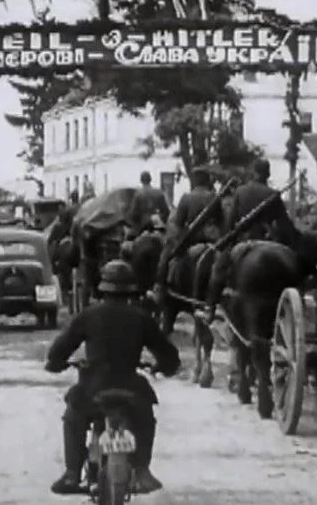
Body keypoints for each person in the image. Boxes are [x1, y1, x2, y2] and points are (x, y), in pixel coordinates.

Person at [45, 260, 181, 495]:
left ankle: (72, 473)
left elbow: (59, 350)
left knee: (73, 418)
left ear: (103, 289)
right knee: (146, 420)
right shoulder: (141, 318)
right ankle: (142, 471)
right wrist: (163, 367)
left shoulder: (87, 316)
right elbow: (169, 356)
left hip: (93, 388)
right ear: (132, 290)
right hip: (131, 387)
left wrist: (56, 364)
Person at [206, 158, 297, 312]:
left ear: (253, 173)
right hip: (269, 242)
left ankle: (210, 306)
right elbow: (285, 226)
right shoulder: (273, 194)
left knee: (218, 269)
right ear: (267, 174)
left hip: (245, 241)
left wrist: (226, 240)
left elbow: (230, 223)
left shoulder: (241, 191)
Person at [153, 167, 224, 304]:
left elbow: (178, 223)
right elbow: (221, 222)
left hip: (191, 240)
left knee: (166, 253)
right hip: (212, 242)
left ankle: (160, 285)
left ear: (195, 180)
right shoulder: (215, 197)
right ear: (207, 180)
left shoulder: (186, 198)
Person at [127, 171, 171, 239]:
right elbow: (166, 211)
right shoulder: (159, 192)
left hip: (143, 227)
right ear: (150, 179)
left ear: (141, 180)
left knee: (129, 239)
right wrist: (161, 221)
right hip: (157, 225)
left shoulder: (138, 194)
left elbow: (134, 213)